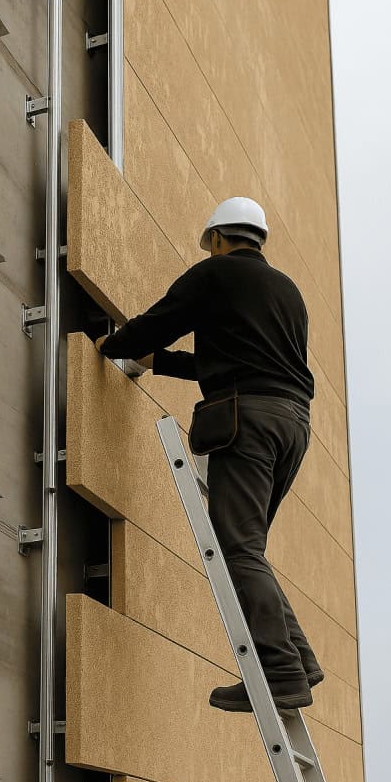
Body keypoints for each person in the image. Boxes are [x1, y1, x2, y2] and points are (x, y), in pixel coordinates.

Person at [95, 196, 323, 712]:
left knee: (238, 547)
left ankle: (281, 672)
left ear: (218, 240)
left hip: (248, 421)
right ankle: (299, 662)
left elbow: (156, 323)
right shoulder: (288, 292)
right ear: (257, 239)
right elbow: (228, 360)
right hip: (293, 425)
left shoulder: (213, 275)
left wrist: (112, 346)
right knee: (249, 548)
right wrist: (160, 364)